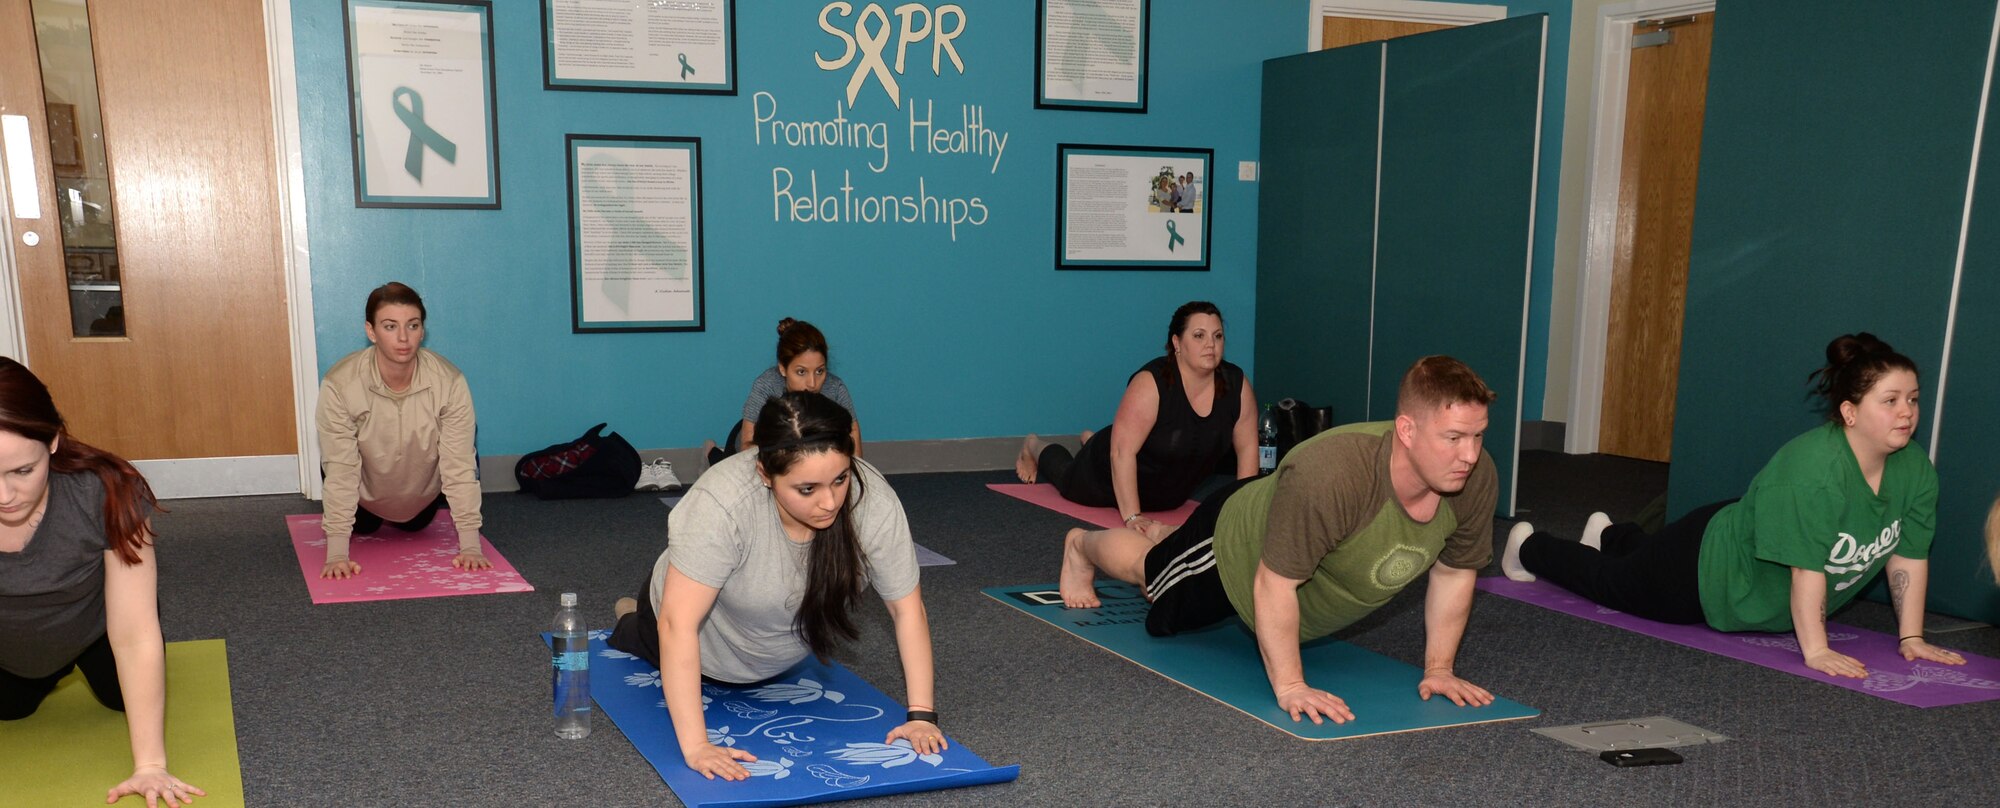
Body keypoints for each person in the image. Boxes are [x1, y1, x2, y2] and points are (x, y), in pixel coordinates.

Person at [1053, 356, 1500, 725]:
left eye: (1478, 436)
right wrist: (1291, 686)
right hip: (1234, 545)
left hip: (1286, 521)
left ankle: (1168, 534)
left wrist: (1439, 669)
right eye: (1454, 438)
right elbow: (1274, 584)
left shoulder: (1475, 478)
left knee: (1174, 547)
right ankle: (1081, 546)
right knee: (1151, 576)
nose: (1470, 455)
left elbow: (1456, 570)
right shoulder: (1333, 477)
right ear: (1406, 430)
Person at [1503, 333, 1967, 677]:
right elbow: (1808, 570)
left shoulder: (1915, 471)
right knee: (1611, 584)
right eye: (1890, 401)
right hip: (1706, 572)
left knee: (1641, 556)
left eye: (1912, 399)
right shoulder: (1813, 473)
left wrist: (1912, 638)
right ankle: (1529, 546)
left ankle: (1608, 534)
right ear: (1850, 412)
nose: (1906, 411)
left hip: (1743, 526)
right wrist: (1817, 651)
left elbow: (1908, 554)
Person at [610, 391, 943, 781]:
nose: (830, 501)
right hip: (693, 630)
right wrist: (697, 746)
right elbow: (676, 626)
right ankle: (627, 612)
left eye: (840, 479)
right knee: (637, 631)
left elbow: (907, 609)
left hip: (775, 649)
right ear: (765, 474)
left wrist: (922, 716)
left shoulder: (873, 501)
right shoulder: (721, 503)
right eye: (807, 490)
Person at [0, 358, 207, 806]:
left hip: (95, 629)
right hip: (9, 645)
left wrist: (150, 766)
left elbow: (133, 634)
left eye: (22, 471)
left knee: (123, 699)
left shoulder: (109, 490)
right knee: (10, 710)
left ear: (53, 440)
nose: (4, 496)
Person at [1015, 301, 1258, 538]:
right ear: (1177, 342)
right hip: (1106, 477)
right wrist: (1132, 517)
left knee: (1131, 447)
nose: (1210, 345)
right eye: (1198, 336)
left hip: (1169, 493)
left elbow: (1247, 448)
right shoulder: (1151, 383)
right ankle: (1034, 445)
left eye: (1218, 336)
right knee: (1067, 478)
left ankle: (1091, 440)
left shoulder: (1237, 385)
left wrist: (1243, 510)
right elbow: (1121, 453)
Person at [316, 282, 486, 580]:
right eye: (390, 326)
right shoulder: (339, 384)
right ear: (371, 331)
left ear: (423, 330)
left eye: (413, 325)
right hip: (363, 495)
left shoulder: (450, 382)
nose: (404, 337)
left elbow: (458, 464)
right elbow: (341, 469)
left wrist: (471, 546)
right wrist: (337, 554)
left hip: (419, 497)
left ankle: (413, 513)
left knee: (414, 525)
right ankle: (362, 520)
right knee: (364, 526)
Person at [705, 318, 861, 466]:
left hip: (803, 448)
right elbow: (747, 445)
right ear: (782, 368)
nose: (812, 383)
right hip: (753, 442)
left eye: (820, 371)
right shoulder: (766, 384)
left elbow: (855, 448)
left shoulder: (836, 388)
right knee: (723, 468)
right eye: (801, 372)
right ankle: (711, 451)